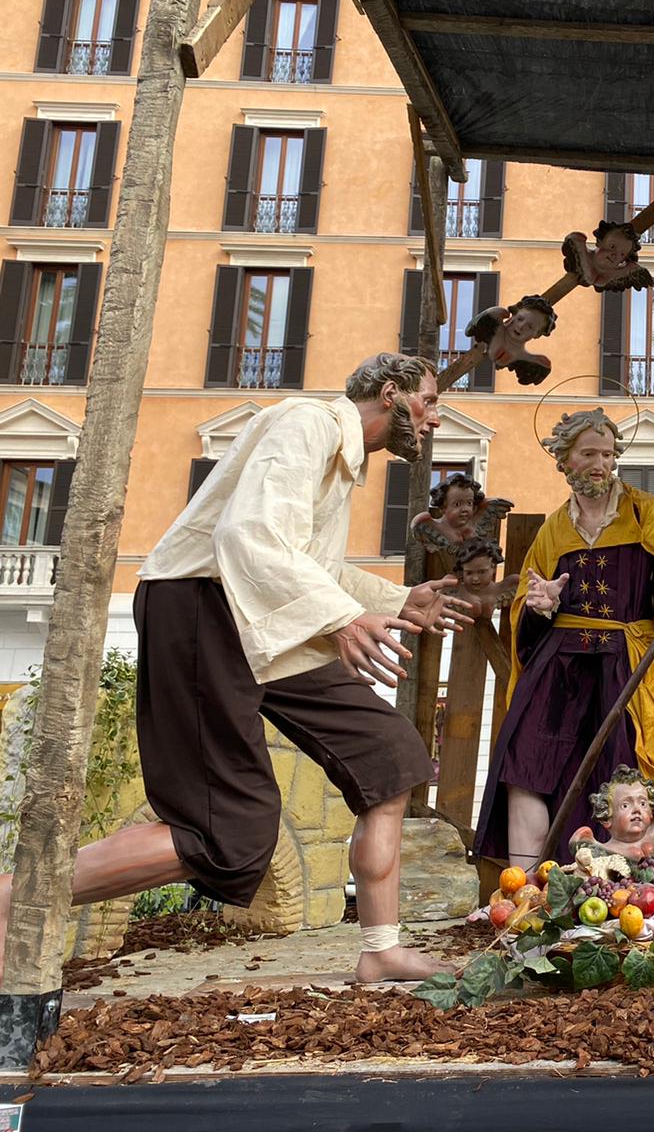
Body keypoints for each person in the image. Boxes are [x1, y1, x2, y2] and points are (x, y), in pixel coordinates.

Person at [0, 354, 472, 985]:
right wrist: (341, 621)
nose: (436, 419)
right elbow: (248, 537)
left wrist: (393, 600)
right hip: (200, 606)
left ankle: (381, 948)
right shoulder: (305, 425)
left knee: (390, 756)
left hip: (267, 616)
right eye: (431, 403)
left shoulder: (340, 463)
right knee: (230, 831)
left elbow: (305, 564)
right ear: (392, 395)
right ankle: (12, 897)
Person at [473, 408, 654, 869]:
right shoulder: (554, 529)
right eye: (588, 453)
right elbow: (527, 623)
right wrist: (541, 607)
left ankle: (619, 884)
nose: (600, 463)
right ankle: (525, 885)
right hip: (557, 670)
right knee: (524, 767)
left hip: (621, 667)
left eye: (608, 454)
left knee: (620, 778)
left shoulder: (649, 515)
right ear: (565, 460)